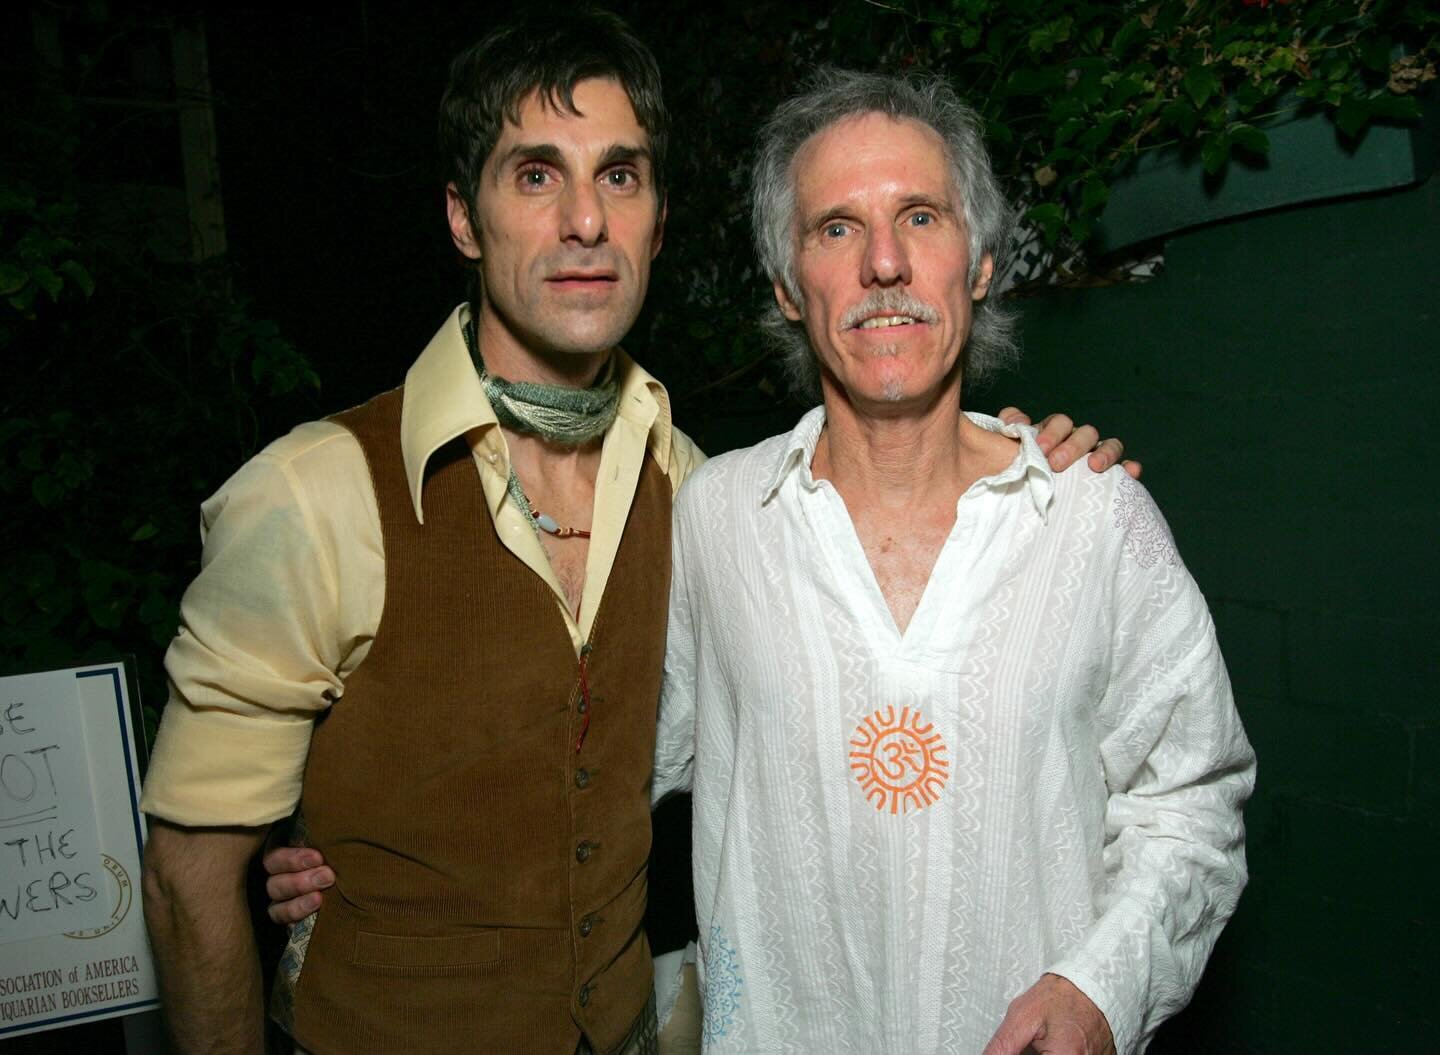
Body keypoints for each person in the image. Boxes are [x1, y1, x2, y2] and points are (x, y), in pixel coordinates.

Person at [146, 11, 1133, 1055]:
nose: (585, 221)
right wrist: (303, 850)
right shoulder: (314, 493)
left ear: (658, 221)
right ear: (462, 218)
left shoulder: (708, 495)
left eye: (620, 176)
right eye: (535, 175)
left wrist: (1005, 459)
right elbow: (185, 879)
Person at [645, 69, 1256, 1054]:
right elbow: (591, 766)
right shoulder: (715, 520)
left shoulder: (1096, 518)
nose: (884, 261)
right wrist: (354, 843)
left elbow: (1192, 797)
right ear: (788, 286)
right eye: (836, 228)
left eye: (920, 216)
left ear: (976, 263)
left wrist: (1104, 986)